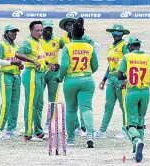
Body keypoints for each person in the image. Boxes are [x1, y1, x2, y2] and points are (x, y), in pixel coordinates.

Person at [55, 17, 98, 148]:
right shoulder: (90, 47)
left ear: (72, 34)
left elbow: (64, 66)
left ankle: (71, 139)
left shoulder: (68, 47)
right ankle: (90, 135)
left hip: (71, 80)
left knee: (71, 109)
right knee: (86, 108)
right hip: (87, 79)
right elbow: (95, 66)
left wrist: (60, 77)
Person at [118, 36, 150, 162]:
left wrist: (128, 75)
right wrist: (145, 75)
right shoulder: (149, 57)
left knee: (130, 123)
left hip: (132, 91)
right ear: (139, 45)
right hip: (145, 92)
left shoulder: (127, 57)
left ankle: (136, 140)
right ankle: (136, 151)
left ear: (131, 46)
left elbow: (120, 75)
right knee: (140, 122)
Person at [15, 21, 53, 141]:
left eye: (41, 30)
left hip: (40, 74)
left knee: (39, 104)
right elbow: (18, 54)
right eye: (37, 30)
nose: (40, 32)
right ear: (31, 31)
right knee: (31, 104)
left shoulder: (38, 42)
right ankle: (28, 133)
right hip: (31, 74)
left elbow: (39, 58)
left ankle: (38, 131)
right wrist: (32, 61)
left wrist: (48, 63)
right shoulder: (28, 42)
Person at [95, 24, 130, 139]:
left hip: (121, 79)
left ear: (122, 34)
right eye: (114, 33)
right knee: (108, 106)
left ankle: (126, 129)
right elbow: (111, 65)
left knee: (123, 105)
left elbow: (129, 63)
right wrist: (104, 79)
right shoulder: (110, 46)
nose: (116, 35)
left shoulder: (124, 46)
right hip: (111, 78)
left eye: (119, 33)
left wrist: (125, 79)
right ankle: (102, 130)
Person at [0, 25, 23, 137]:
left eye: (15, 32)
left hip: (16, 76)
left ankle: (11, 128)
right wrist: (11, 63)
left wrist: (20, 65)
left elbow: (18, 60)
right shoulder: (1, 45)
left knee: (15, 104)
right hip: (6, 75)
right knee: (6, 102)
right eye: (12, 32)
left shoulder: (17, 46)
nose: (14, 34)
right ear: (6, 33)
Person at [40, 20, 63, 133]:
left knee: (52, 99)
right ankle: (35, 123)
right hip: (41, 72)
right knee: (38, 98)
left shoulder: (58, 40)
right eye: (46, 28)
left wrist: (62, 65)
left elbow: (69, 48)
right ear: (42, 29)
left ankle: (48, 124)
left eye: (50, 28)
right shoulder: (37, 40)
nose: (48, 30)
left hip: (54, 73)